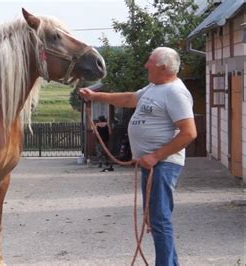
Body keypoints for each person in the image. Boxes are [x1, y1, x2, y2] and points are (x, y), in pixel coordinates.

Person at [79, 47, 197, 266]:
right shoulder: (155, 87)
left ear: (163, 67)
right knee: (155, 220)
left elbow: (189, 133)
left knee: (159, 220)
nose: (145, 65)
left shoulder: (175, 92)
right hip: (152, 165)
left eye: (149, 61)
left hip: (163, 164)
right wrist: (95, 96)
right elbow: (129, 99)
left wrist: (156, 156)